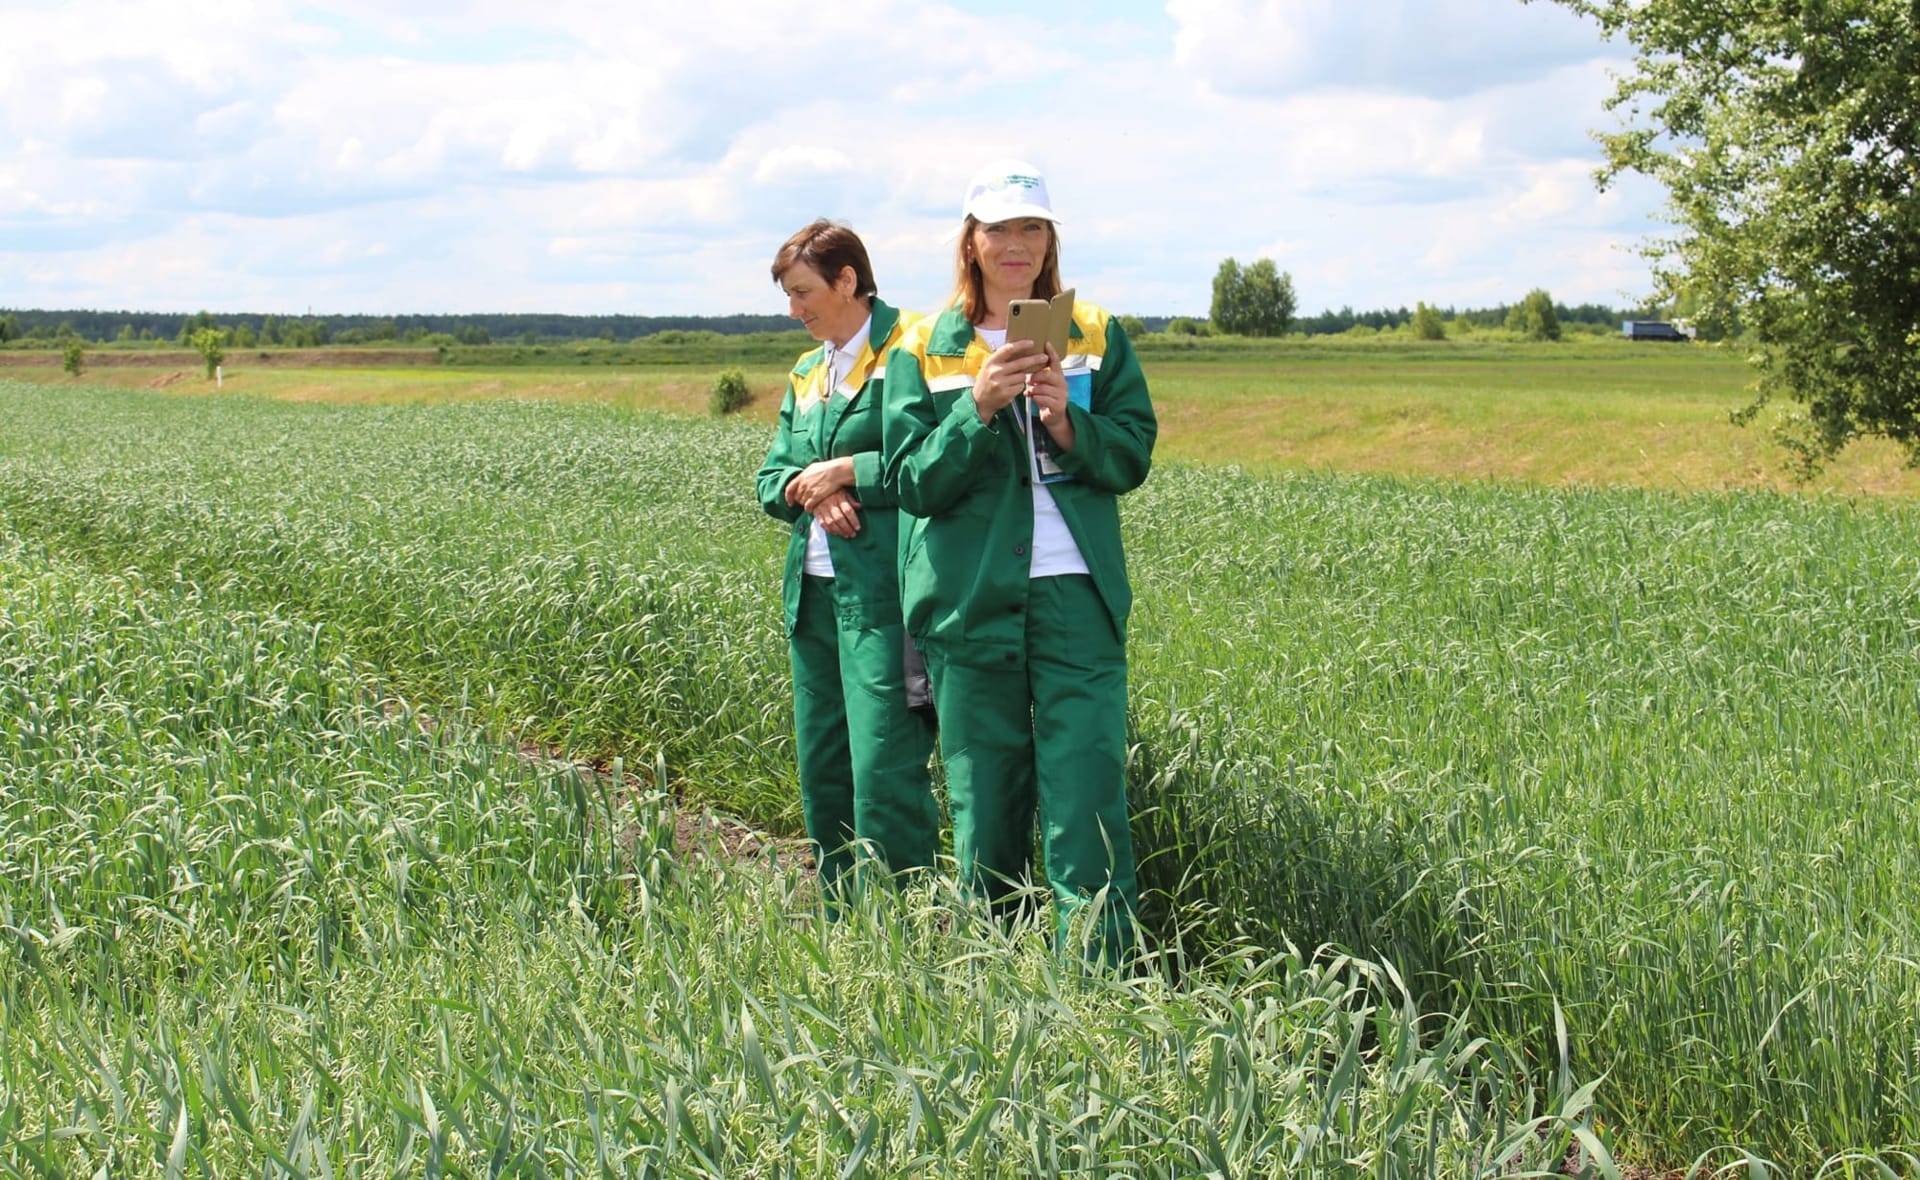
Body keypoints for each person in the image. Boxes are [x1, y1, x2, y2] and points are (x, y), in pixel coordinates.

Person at [882, 160, 1157, 960]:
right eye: (999, 229)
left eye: (1032, 228)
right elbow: (908, 480)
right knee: (985, 800)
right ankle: (995, 979)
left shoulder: (1094, 335)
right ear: (971, 242)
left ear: (1049, 242)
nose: (1016, 245)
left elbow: (1132, 454)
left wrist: (1071, 425)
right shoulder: (926, 348)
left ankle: (1099, 989)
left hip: (1076, 595)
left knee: (1088, 798)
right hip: (971, 603)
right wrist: (977, 407)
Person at [755, 219, 939, 898]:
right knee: (825, 765)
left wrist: (847, 471)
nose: (795, 310)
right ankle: (843, 921)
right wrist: (811, 492)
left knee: (885, 766)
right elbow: (772, 478)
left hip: (885, 597)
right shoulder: (807, 371)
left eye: (804, 293)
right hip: (815, 600)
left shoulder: (912, 350)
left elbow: (936, 462)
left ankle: (904, 922)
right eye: (789, 297)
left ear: (848, 280)